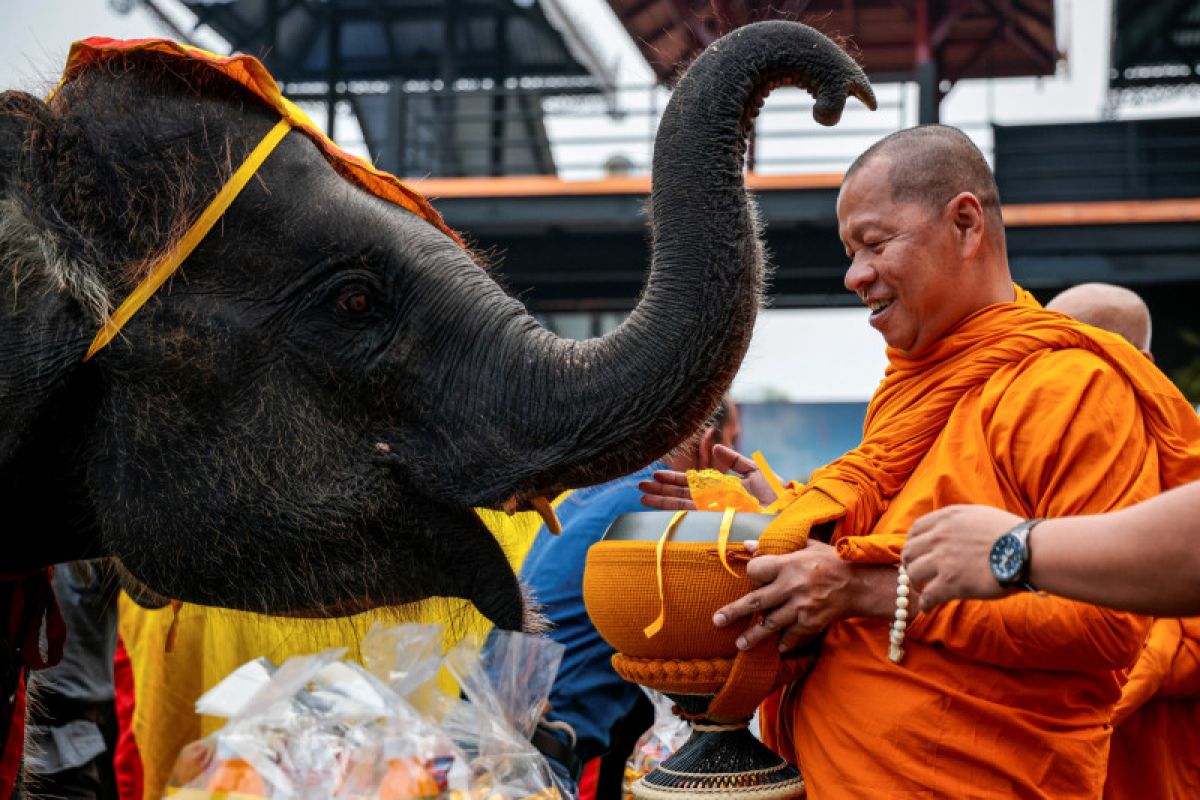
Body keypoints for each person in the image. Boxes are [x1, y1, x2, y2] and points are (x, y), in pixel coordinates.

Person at [641, 124, 1200, 797]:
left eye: (875, 244)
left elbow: (1106, 630)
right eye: (850, 253)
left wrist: (864, 592)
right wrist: (784, 520)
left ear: (965, 224)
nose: (855, 276)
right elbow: (894, 537)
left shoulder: (1069, 388)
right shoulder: (909, 390)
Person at [902, 282, 1199, 799]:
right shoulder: (1027, 441)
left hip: (1148, 767)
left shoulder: (1181, 458)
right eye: (1041, 352)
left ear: (1140, 361)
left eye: (1075, 351)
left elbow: (1167, 624)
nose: (1052, 373)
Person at [524, 401, 740, 797]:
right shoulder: (658, 512)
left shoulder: (597, 491)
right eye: (733, 448)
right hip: (555, 753)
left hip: (497, 727)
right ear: (709, 445)